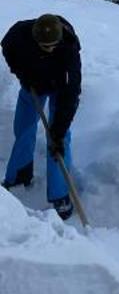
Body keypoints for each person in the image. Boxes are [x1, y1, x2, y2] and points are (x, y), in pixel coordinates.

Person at [2, 14, 81, 219]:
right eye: (43, 45)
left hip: (59, 87)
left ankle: (60, 195)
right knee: (24, 128)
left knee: (59, 140)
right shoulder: (19, 34)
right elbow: (7, 47)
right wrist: (20, 73)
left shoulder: (69, 51)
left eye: (52, 45)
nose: (49, 48)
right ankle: (19, 175)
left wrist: (58, 131)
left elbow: (70, 96)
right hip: (33, 84)